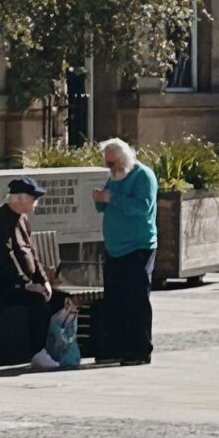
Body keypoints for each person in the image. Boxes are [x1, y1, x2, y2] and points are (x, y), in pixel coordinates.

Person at [92, 139, 158, 364]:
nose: (111, 168)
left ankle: (140, 350)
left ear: (125, 158)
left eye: (114, 163)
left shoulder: (143, 176)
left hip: (138, 246)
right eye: (108, 164)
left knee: (137, 301)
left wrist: (112, 198)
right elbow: (107, 205)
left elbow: (142, 208)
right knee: (114, 301)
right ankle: (114, 348)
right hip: (114, 248)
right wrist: (100, 200)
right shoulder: (114, 177)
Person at [0, 176, 55, 354]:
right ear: (20, 198)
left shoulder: (22, 217)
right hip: (6, 284)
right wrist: (26, 284)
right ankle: (38, 352)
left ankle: (50, 350)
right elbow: (5, 257)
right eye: (33, 198)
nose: (36, 202)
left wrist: (43, 281)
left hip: (24, 282)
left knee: (57, 298)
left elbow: (32, 253)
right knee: (38, 302)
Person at [31, 295, 82, 371]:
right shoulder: (56, 318)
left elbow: (70, 334)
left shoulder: (71, 317)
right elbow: (57, 331)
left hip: (68, 355)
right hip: (56, 352)